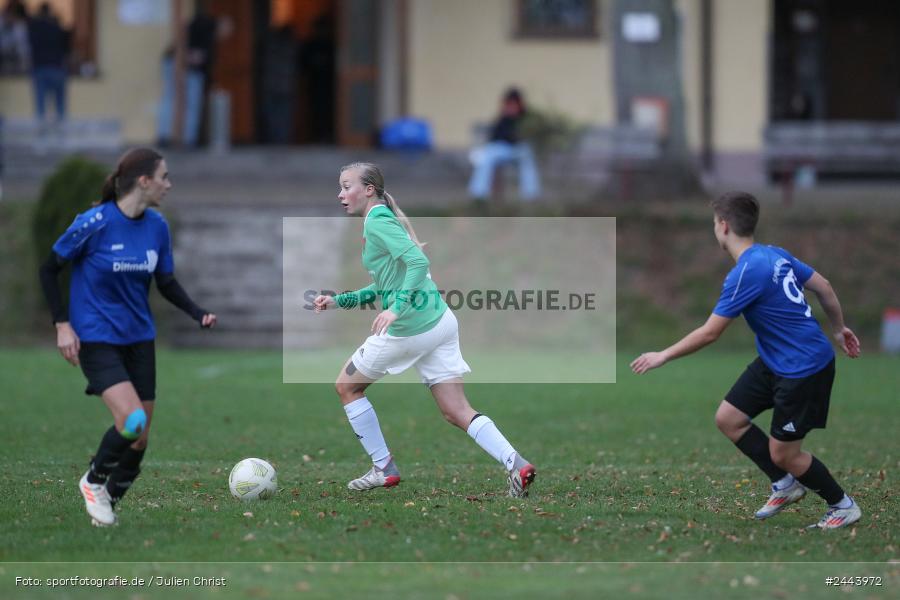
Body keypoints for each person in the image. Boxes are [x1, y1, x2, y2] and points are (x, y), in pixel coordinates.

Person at [631, 191, 862, 530]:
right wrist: (839, 328)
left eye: (714, 223)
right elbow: (823, 286)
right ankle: (785, 484)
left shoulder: (746, 272)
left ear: (724, 226)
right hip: (776, 360)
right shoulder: (775, 254)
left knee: (784, 453)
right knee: (729, 418)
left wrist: (662, 355)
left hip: (804, 367)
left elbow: (711, 333)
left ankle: (842, 505)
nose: (714, 229)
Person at [314, 162, 536, 497]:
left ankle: (383, 467)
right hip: (440, 323)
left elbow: (418, 263)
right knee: (456, 410)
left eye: (347, 186)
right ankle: (516, 464)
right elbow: (384, 285)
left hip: (411, 329)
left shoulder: (377, 221)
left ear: (369, 190)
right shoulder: (381, 219)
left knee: (347, 387)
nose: (340, 194)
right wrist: (339, 301)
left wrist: (396, 309)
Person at [38, 148, 216, 527]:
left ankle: (105, 507)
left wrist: (197, 312)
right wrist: (62, 324)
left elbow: (165, 282)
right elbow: (49, 269)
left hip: (139, 339)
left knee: (139, 438)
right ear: (144, 181)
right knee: (132, 420)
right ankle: (93, 481)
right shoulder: (94, 223)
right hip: (97, 337)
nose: (169, 184)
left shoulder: (157, 227)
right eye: (164, 177)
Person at [468, 87, 541, 202]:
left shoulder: (526, 118)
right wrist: (506, 119)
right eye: (509, 104)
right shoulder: (503, 118)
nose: (511, 107)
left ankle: (530, 195)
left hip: (519, 150)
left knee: (527, 157)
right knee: (486, 157)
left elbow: (526, 136)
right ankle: (479, 194)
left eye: (514, 104)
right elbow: (495, 137)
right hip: (503, 149)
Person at [27, 2, 69, 129]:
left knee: (40, 107)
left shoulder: (34, 28)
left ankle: (41, 134)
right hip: (57, 67)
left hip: (40, 67)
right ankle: (62, 134)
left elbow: (28, 47)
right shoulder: (57, 28)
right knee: (60, 107)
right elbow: (67, 48)